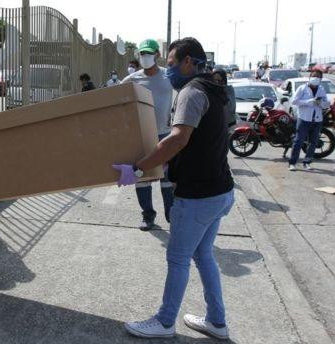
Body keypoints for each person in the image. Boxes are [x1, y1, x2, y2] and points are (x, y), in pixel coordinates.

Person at [116, 37, 234, 340]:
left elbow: (178, 138)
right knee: (204, 254)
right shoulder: (214, 88)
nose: (168, 70)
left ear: (188, 62)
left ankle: (165, 321)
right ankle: (217, 322)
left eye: (170, 64)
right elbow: (201, 140)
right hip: (221, 190)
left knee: (178, 258)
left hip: (198, 196)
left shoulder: (191, 92)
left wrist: (139, 167)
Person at [121, 39, 174, 231]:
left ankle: (172, 216)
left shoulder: (169, 77)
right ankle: (148, 215)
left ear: (157, 55)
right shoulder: (132, 80)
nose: (145, 57)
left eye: (148, 53)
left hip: (165, 135)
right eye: (142, 54)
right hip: (142, 137)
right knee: (142, 177)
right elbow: (117, 101)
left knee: (168, 179)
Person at [288, 69, 330, 171]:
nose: (316, 78)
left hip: (317, 119)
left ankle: (307, 162)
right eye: (314, 76)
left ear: (320, 79)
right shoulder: (302, 88)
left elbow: (326, 104)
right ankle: (292, 163)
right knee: (298, 141)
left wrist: (321, 103)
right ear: (310, 77)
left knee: (313, 142)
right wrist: (308, 101)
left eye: (318, 77)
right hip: (304, 119)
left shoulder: (321, 89)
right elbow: (294, 101)